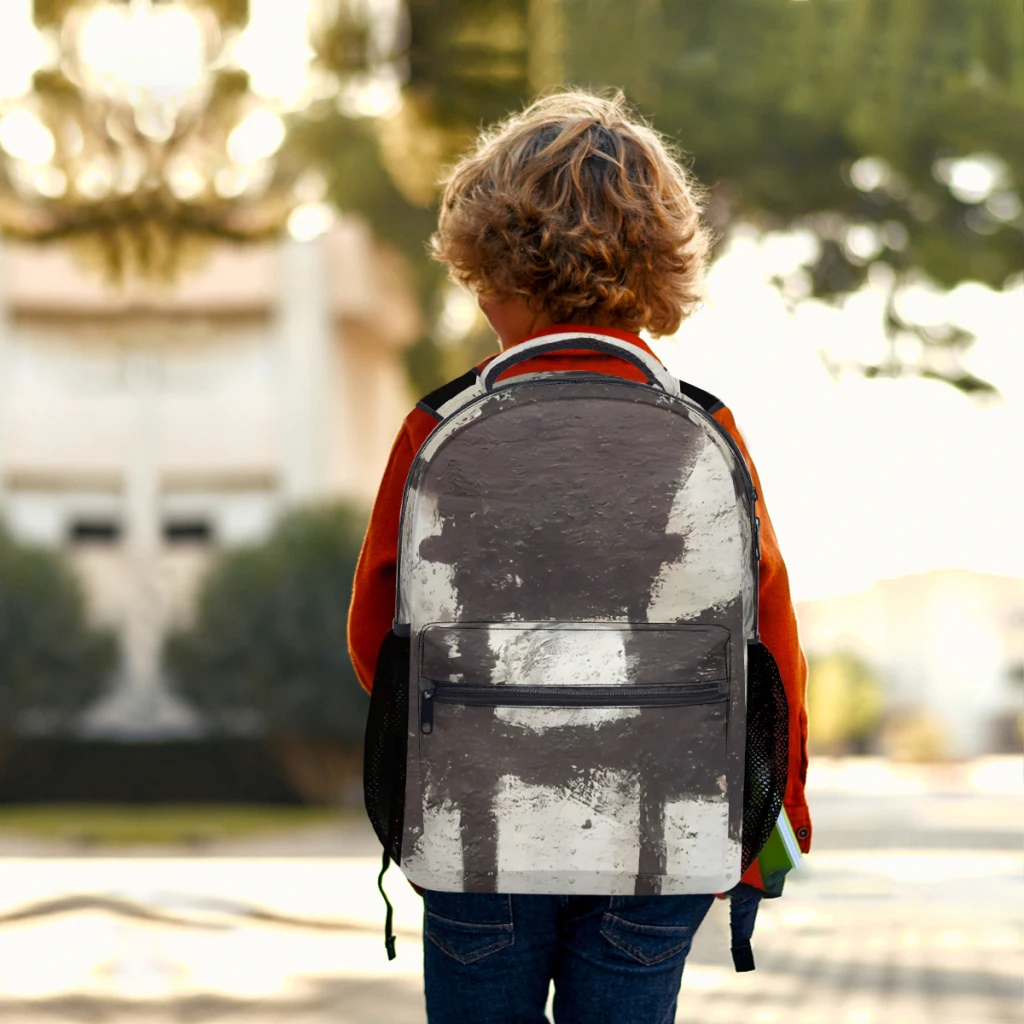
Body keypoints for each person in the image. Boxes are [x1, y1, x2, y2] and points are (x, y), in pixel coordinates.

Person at [348, 89, 810, 1024]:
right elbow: (768, 638)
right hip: (661, 832)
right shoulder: (706, 428)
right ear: (660, 269)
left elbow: (375, 636)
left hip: (478, 829)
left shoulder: (439, 426)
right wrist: (774, 815)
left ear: (490, 270)